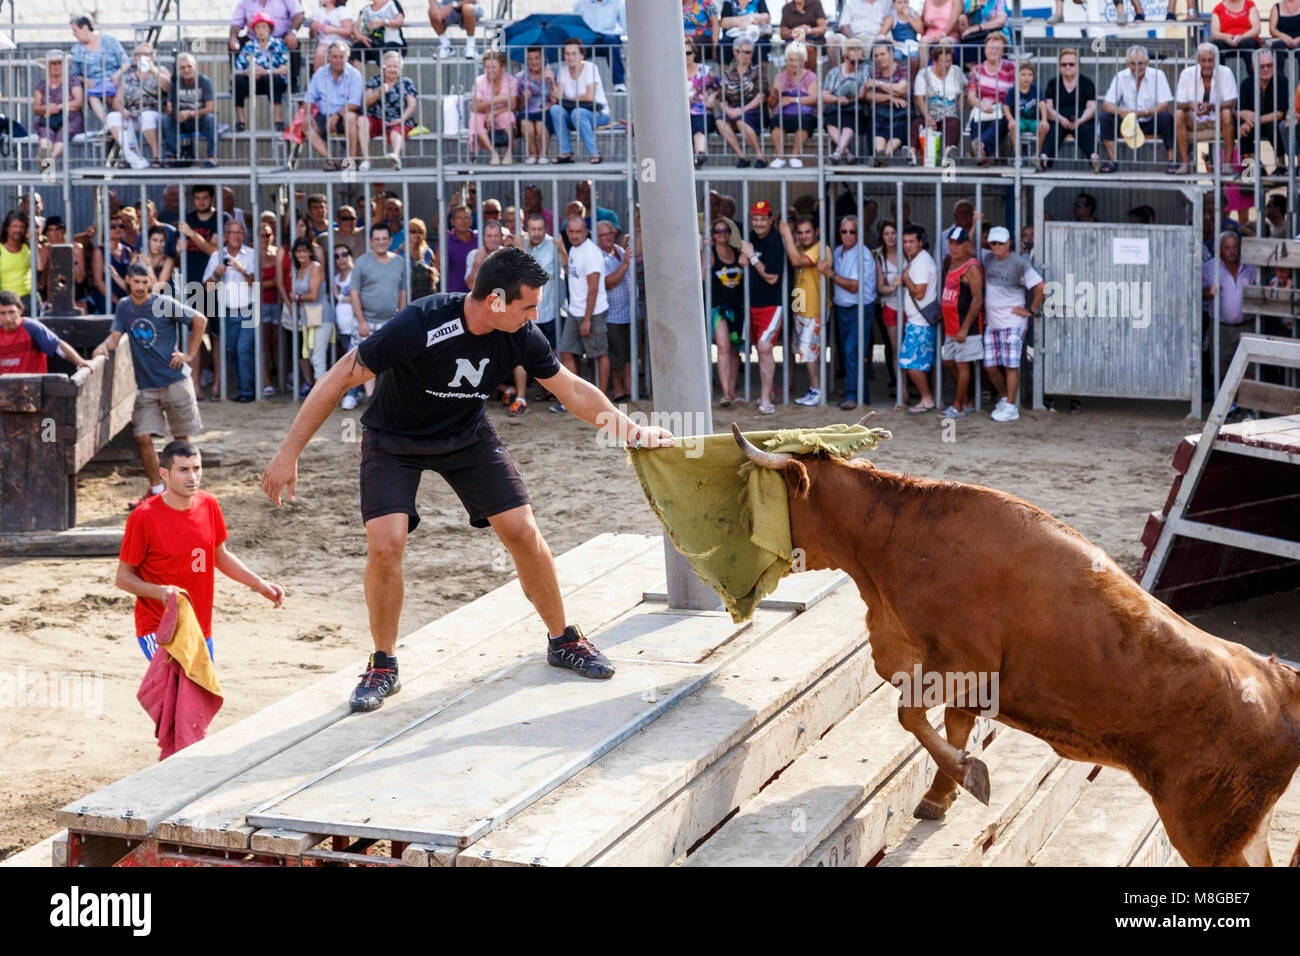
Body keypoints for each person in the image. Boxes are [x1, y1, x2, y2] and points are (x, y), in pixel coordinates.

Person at [260, 248, 675, 708]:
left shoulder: (521, 335)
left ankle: (564, 640)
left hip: (466, 434)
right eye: (528, 306)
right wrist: (287, 454)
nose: (535, 315)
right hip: (394, 439)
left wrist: (632, 431)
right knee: (385, 542)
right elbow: (339, 377)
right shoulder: (421, 322)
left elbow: (572, 389)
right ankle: (383, 664)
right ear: (495, 301)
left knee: (521, 529)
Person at [117, 438, 284, 669]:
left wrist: (259, 583)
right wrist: (160, 592)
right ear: (164, 474)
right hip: (160, 628)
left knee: (198, 700)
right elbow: (123, 578)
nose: (192, 477)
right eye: (183, 470)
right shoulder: (143, 517)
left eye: (196, 468)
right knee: (181, 698)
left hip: (200, 627)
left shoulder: (209, 504)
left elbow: (220, 556)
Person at [92, 264, 208, 507]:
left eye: (145, 282)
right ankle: (157, 490)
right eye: (136, 282)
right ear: (128, 281)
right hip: (146, 386)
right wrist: (103, 348)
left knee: (181, 441)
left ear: (151, 281)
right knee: (143, 437)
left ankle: (182, 492)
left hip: (175, 380)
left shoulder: (163, 303)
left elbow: (199, 319)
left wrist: (189, 354)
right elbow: (114, 337)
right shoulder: (124, 306)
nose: (141, 287)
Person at [980, 225, 1044, 422]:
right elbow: (968, 247)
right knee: (989, 365)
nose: (997, 246)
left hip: (1013, 323)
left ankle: (1010, 406)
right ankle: (1006, 398)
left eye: (1001, 243)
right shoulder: (988, 257)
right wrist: (976, 224)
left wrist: (1030, 310)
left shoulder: (1018, 263)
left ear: (1009, 243)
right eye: (994, 243)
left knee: (1010, 366)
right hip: (993, 323)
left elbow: (1040, 286)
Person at [820, 214, 876, 410]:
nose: (848, 235)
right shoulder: (837, 251)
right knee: (847, 353)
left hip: (859, 308)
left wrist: (830, 274)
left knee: (851, 351)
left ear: (859, 234)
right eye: (844, 231)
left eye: (852, 231)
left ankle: (853, 395)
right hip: (842, 308)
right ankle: (861, 394)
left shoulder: (864, 254)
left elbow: (854, 286)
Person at [555, 216, 610, 408]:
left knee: (599, 353)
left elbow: (593, 288)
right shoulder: (575, 250)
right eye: (571, 232)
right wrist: (562, 249)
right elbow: (572, 272)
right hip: (575, 310)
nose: (575, 236)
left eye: (579, 232)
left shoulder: (591, 253)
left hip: (592, 312)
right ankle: (576, 399)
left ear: (586, 232)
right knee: (567, 351)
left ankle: (602, 400)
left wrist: (587, 319)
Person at [350, 223, 408, 399]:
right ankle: (371, 399)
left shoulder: (400, 262)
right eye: (377, 239)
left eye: (384, 239)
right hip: (366, 321)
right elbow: (354, 294)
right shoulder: (361, 263)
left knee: (392, 363)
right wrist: (361, 321)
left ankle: (387, 400)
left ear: (390, 240)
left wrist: (401, 320)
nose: (381, 242)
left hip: (391, 321)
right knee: (365, 363)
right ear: (371, 241)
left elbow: (403, 293)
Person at [203, 220, 258, 403]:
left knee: (243, 349)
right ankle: (244, 387)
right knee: (233, 351)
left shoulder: (251, 255)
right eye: (232, 232)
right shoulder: (217, 256)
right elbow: (207, 288)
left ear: (244, 235)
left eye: (239, 232)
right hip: (227, 312)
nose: (236, 236)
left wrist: (242, 270)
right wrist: (217, 274)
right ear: (226, 235)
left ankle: (247, 392)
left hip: (249, 309)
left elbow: (257, 284)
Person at [1097, 45, 1174, 173]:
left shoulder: (1158, 75)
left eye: (1140, 63)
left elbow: (1164, 104)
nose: (1137, 67)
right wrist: (1121, 112)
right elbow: (1107, 104)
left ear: (1147, 62)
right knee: (1105, 117)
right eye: (1133, 64)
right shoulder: (1120, 76)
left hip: (1150, 119)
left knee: (1166, 117)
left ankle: (1172, 161)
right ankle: (1112, 160)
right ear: (1127, 63)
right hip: (1127, 121)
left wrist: (1145, 112)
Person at [741, 200, 785, 414]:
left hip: (772, 304)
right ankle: (771, 391)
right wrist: (746, 256)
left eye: (762, 219)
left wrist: (752, 256)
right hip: (752, 304)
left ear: (770, 220)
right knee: (759, 349)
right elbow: (742, 260)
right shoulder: (750, 236)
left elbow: (772, 278)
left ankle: (766, 399)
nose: (758, 223)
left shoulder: (775, 240)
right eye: (755, 219)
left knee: (765, 347)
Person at [778, 216, 826, 406]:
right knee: (804, 352)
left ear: (817, 231)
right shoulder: (800, 247)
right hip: (799, 310)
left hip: (814, 312)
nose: (804, 236)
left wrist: (787, 234)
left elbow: (797, 261)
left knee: (809, 353)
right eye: (800, 232)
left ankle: (817, 390)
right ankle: (813, 389)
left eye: (808, 232)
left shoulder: (820, 249)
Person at [937, 226, 983, 418]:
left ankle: (958, 406)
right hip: (951, 325)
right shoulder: (952, 263)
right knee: (948, 361)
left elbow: (977, 299)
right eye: (951, 244)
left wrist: (965, 328)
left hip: (965, 327)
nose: (953, 248)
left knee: (963, 365)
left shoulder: (971, 267)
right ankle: (966, 399)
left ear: (966, 245)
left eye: (958, 244)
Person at [1202, 231, 1257, 388]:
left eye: (1234, 247)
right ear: (1219, 249)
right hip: (1221, 328)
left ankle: (1247, 407)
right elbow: (1195, 294)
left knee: (1249, 366)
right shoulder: (1209, 268)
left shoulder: (1250, 267)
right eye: (1227, 248)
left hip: (1248, 325)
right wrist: (1208, 292)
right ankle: (1228, 408)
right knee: (1222, 368)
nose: (1232, 251)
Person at [1172, 42, 1237, 174]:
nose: (1207, 64)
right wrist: (1191, 105)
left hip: (1217, 118)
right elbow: (1178, 103)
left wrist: (1212, 106)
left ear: (1216, 60)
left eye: (1210, 60)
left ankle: (1228, 164)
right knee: (1179, 114)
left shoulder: (1225, 72)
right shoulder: (1187, 73)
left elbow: (1231, 102)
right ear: (1198, 61)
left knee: (1226, 113)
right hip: (1194, 119)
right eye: (1203, 60)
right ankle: (1185, 163)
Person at [549, 37, 611, 164]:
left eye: (574, 54)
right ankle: (567, 153)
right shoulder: (563, 71)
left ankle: (594, 153)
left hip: (597, 113)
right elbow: (557, 98)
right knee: (555, 109)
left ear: (582, 55)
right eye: (567, 54)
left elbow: (589, 96)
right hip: (573, 114)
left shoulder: (590, 68)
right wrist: (550, 81)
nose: (570, 57)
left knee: (578, 113)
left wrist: (569, 100)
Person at [108, 43, 169, 169]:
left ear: (152, 57)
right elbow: (116, 102)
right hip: (133, 115)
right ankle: (132, 157)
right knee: (113, 117)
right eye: (139, 54)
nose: (142, 57)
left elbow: (168, 88)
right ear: (134, 58)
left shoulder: (161, 71)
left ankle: (157, 157)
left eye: (146, 54)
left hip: (154, 114)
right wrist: (122, 110)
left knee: (146, 116)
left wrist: (152, 70)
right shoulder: (127, 78)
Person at [898, 224, 939, 413]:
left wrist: (905, 278)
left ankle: (927, 398)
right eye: (905, 241)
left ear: (921, 242)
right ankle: (928, 398)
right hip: (919, 321)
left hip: (920, 323)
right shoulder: (919, 259)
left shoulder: (921, 262)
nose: (907, 245)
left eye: (911, 241)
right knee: (920, 363)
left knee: (911, 363)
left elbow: (920, 293)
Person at [0, 290, 91, 375]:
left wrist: (80, 362)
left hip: (33, 387)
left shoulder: (31, 327)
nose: (7, 318)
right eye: (2, 313)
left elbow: (58, 346)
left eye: (11, 312)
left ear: (21, 310)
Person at [306, 41, 364, 171]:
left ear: (347, 57)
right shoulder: (320, 73)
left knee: (350, 117)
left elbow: (355, 103)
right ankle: (330, 160)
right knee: (305, 123)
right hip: (324, 115)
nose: (338, 60)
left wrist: (337, 115)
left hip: (345, 115)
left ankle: (351, 162)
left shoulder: (355, 74)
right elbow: (310, 97)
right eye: (334, 56)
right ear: (328, 58)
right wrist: (308, 114)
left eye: (341, 56)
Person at [288, 236, 334, 393]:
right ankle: (321, 393)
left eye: (305, 251)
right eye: (298, 251)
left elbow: (313, 295)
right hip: (309, 317)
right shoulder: (298, 269)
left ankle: (320, 395)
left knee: (318, 357)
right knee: (313, 355)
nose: (301, 254)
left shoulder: (315, 266)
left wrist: (297, 297)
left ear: (310, 252)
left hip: (321, 315)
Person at [1038, 47, 1096, 171]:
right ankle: (1044, 159)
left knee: (1084, 129)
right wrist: (1060, 119)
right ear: (1059, 66)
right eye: (1064, 64)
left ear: (1077, 66)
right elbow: (1049, 107)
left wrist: (1080, 120)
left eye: (1071, 64)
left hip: (1080, 118)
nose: (1068, 67)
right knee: (1054, 128)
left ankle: (1094, 158)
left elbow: (1091, 108)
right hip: (1059, 118)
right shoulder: (1053, 83)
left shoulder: (1087, 82)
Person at [360, 50, 418, 170]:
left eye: (395, 66)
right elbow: (365, 102)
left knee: (397, 130)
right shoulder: (375, 80)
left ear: (400, 68)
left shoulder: (406, 82)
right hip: (377, 118)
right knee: (361, 120)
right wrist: (379, 92)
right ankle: (366, 159)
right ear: (383, 67)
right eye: (389, 66)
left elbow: (412, 105)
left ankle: (395, 157)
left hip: (398, 118)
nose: (392, 69)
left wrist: (400, 120)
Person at [233, 12, 290, 132]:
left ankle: (278, 120)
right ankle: (241, 122)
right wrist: (246, 72)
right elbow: (236, 69)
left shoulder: (278, 44)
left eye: (264, 27)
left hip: (272, 80)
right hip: (253, 81)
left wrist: (267, 72)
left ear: (270, 29)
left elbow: (285, 68)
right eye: (258, 27)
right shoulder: (249, 46)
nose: (261, 30)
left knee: (273, 78)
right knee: (238, 80)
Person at [597, 222, 634, 403]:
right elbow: (608, 282)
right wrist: (626, 264)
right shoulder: (599, 257)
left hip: (630, 313)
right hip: (612, 315)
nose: (608, 237)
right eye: (603, 235)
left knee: (629, 354)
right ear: (596, 238)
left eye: (610, 233)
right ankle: (618, 390)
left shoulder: (618, 250)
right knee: (616, 356)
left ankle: (629, 388)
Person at [160, 53, 218, 167]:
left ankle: (213, 157)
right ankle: (171, 156)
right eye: (182, 67)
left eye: (189, 66)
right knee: (166, 119)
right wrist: (174, 112)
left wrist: (191, 113)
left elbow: (210, 107)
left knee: (211, 119)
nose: (186, 70)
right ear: (178, 70)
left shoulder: (204, 81)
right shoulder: (175, 83)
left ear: (195, 66)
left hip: (199, 118)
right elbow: (169, 107)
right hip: (180, 120)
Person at [718, 36, 768, 167]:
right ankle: (742, 157)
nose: (744, 55)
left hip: (753, 110)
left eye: (748, 52)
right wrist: (728, 111)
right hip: (733, 111)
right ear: (735, 52)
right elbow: (721, 99)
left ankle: (760, 156)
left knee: (740, 120)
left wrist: (742, 110)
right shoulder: (728, 74)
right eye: (740, 51)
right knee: (719, 121)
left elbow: (761, 96)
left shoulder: (758, 71)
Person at [69, 15, 127, 128]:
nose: (74, 34)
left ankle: (122, 124)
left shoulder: (109, 41)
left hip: (115, 82)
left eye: (75, 30)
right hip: (95, 86)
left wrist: (117, 75)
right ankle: (108, 125)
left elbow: (126, 62)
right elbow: (74, 75)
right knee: (92, 95)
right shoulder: (76, 50)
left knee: (115, 99)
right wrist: (85, 80)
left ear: (85, 28)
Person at [965, 32, 1013, 164]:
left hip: (1003, 109)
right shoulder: (975, 70)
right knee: (978, 119)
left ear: (1003, 51)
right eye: (990, 47)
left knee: (1000, 121)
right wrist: (981, 105)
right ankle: (981, 152)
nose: (993, 51)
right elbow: (971, 97)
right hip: (982, 108)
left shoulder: (1011, 67)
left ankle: (979, 148)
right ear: (985, 49)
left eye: (997, 48)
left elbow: (1017, 93)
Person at [768, 41, 818, 168]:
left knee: (805, 124)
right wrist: (775, 92)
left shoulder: (810, 76)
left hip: (805, 114)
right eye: (790, 60)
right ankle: (780, 157)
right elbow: (771, 104)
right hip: (785, 113)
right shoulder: (780, 77)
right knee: (776, 122)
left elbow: (814, 99)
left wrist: (793, 100)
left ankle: (794, 156)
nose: (793, 63)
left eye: (797, 60)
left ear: (803, 61)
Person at [1238, 49, 1289, 171]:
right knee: (1243, 130)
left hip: (1272, 122)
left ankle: (1281, 165)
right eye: (1262, 66)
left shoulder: (1282, 81)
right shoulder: (1246, 84)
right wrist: (1242, 115)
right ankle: (1249, 171)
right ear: (1253, 67)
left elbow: (1279, 113)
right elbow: (1240, 109)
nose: (1266, 69)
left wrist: (1252, 121)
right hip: (1253, 124)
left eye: (1269, 65)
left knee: (1275, 127)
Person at [912, 40, 963, 160]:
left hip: (949, 114)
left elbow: (965, 86)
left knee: (954, 124)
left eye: (949, 61)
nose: (947, 64)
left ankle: (948, 155)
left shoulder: (956, 71)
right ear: (934, 61)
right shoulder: (924, 73)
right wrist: (929, 118)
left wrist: (961, 100)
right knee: (916, 124)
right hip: (929, 113)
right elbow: (919, 98)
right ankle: (911, 153)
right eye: (943, 61)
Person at [523, 212, 564, 352]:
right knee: (528, 352)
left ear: (546, 229)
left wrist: (522, 251)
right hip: (527, 312)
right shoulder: (523, 243)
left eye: (540, 229)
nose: (536, 233)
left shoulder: (552, 245)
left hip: (547, 310)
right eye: (533, 229)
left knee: (550, 350)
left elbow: (537, 275)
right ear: (527, 229)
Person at [33, 51, 85, 162]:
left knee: (63, 133)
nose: (57, 66)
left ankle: (49, 160)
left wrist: (59, 106)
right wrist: (46, 108)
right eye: (53, 63)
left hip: (70, 119)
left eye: (60, 63)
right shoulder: (42, 85)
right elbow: (36, 108)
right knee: (46, 133)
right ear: (48, 65)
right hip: (49, 120)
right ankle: (48, 171)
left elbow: (79, 102)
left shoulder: (72, 81)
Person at [823, 38, 867, 165]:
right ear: (845, 58)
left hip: (855, 107)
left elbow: (863, 94)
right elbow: (824, 94)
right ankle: (847, 153)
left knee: (850, 121)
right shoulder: (834, 72)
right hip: (837, 105)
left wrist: (853, 98)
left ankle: (837, 153)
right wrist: (836, 99)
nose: (858, 64)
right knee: (830, 120)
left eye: (861, 60)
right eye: (854, 61)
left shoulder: (865, 70)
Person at [469, 50, 518, 165]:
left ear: (502, 68)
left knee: (509, 116)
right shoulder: (479, 81)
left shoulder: (511, 81)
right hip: (482, 113)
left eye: (493, 67)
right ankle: (493, 154)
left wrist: (493, 113)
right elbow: (475, 107)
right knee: (474, 119)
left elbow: (514, 106)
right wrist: (495, 100)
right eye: (487, 67)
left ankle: (509, 153)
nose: (489, 71)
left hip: (501, 112)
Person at [864, 40, 908, 162]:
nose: (879, 58)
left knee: (900, 129)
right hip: (880, 112)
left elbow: (902, 89)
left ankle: (883, 157)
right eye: (876, 55)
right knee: (877, 128)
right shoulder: (874, 72)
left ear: (892, 54)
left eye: (882, 54)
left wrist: (879, 84)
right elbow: (868, 95)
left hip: (900, 113)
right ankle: (880, 154)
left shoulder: (902, 70)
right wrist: (890, 97)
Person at [574, 0, 627, 92]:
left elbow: (625, 26)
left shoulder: (617, 3)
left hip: (607, 37)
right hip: (588, 38)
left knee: (612, 41)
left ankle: (619, 83)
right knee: (575, 48)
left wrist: (618, 33)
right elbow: (574, 24)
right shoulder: (581, 3)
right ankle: (576, 83)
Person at [332, 245, 361, 409]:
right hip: (342, 328)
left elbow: (361, 298)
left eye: (344, 254)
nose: (341, 259)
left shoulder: (356, 275)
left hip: (355, 326)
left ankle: (351, 396)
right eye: (337, 256)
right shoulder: (336, 278)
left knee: (353, 363)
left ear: (351, 255)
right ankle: (357, 391)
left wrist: (340, 298)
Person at [685, 37, 719, 168]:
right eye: (683, 53)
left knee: (699, 123)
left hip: (701, 110)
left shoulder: (704, 70)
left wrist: (712, 97)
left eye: (689, 53)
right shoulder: (673, 71)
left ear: (694, 53)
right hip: (680, 112)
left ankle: (700, 154)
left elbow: (720, 87)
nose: (686, 56)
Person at [0, 212, 41, 304]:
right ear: (7, 228)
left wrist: (34, 243)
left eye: (21, 227)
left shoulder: (28, 247)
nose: (18, 230)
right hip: (5, 300)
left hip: (29, 298)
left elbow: (40, 267)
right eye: (14, 226)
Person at [1210, 0, 1261, 75]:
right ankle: (1221, 78)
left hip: (1246, 39)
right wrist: (1226, 37)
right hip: (1226, 41)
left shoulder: (1249, 4)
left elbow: (1257, 28)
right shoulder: (1218, 9)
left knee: (1248, 43)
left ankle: (1254, 79)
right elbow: (1214, 33)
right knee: (1216, 45)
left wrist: (1242, 37)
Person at [353, 0, 406, 68]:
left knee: (385, 54)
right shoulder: (366, 9)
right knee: (358, 48)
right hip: (373, 43)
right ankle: (358, 77)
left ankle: (388, 77)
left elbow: (400, 21)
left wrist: (382, 22)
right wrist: (360, 37)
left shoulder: (391, 3)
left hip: (393, 43)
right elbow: (355, 26)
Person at [444, 205, 478, 294]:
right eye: (459, 218)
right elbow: (438, 267)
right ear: (452, 222)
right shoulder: (446, 241)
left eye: (466, 218)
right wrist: (442, 241)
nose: (463, 221)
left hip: (476, 295)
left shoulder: (480, 240)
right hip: (454, 296)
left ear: (471, 221)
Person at [310, 0, 354, 70]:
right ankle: (319, 78)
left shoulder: (342, 10)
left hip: (341, 43)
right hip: (323, 43)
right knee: (320, 52)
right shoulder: (319, 11)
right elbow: (312, 36)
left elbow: (349, 32)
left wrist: (334, 30)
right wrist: (313, 29)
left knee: (321, 52)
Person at [406, 218, 440, 300]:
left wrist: (431, 271)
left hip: (424, 294)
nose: (417, 235)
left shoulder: (428, 252)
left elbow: (436, 272)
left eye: (420, 232)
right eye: (413, 231)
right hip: (406, 293)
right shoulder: (398, 252)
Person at [1011, 61, 1040, 155]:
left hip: (1033, 120)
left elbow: (1043, 104)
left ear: (1033, 76)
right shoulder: (1013, 90)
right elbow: (1006, 107)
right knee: (1013, 126)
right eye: (1023, 74)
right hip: (1020, 120)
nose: (1026, 77)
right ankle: (1017, 153)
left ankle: (1037, 155)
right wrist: (1011, 120)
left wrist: (1044, 120)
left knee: (1044, 127)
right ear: (1017, 76)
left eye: (1030, 74)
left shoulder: (1036, 89)